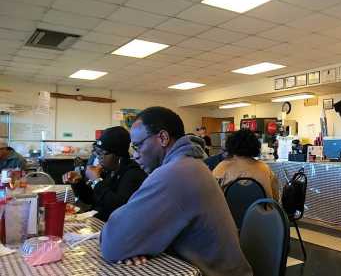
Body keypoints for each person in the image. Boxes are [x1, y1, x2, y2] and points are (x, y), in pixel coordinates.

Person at [100, 107, 252, 276]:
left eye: (138, 146)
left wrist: (131, 243)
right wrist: (133, 244)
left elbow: (112, 244)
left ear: (163, 138)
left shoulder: (175, 173)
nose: (135, 155)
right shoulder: (190, 164)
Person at [62, 126, 146, 221]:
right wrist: (78, 183)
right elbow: (91, 200)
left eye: (103, 153)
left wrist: (97, 181)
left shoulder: (132, 174)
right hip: (97, 221)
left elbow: (118, 207)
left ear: (118, 155)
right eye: (97, 153)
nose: (99, 158)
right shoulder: (109, 171)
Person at [213, 129, 279, 200]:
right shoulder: (265, 169)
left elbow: (211, 195)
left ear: (231, 145)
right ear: (256, 146)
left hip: (229, 210)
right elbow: (275, 198)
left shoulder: (222, 167)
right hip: (262, 209)